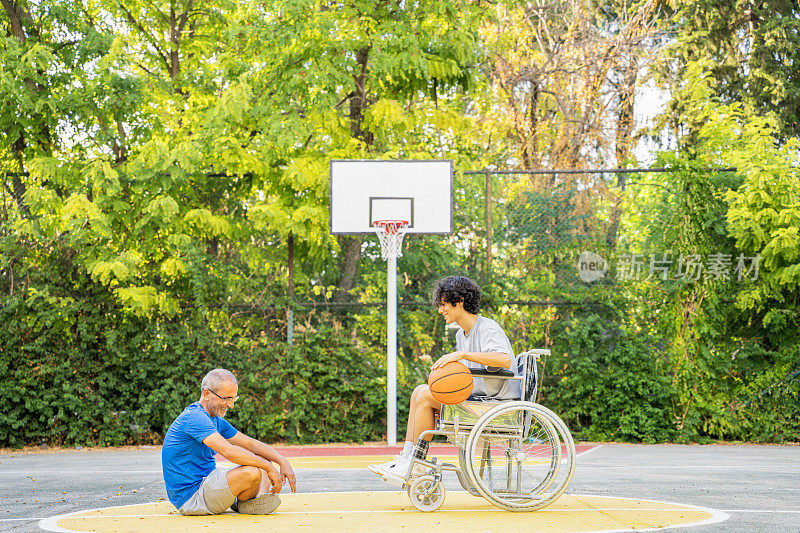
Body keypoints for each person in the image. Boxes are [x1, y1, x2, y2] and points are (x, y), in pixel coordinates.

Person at [368, 275, 519, 485]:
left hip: (496, 406)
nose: (440, 310)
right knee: (420, 391)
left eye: (443, 304)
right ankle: (407, 458)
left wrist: (461, 356)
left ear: (459, 302)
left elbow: (504, 359)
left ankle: (417, 464)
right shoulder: (461, 334)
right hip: (478, 400)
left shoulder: (487, 328)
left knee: (426, 396)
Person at [162, 368, 297, 515]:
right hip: (192, 497)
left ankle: (251, 502)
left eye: (233, 398)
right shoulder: (194, 417)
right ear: (207, 394)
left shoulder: (215, 420)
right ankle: (248, 503)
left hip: (209, 483)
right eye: (226, 398)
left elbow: (251, 444)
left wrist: (282, 461)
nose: (231, 405)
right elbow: (229, 451)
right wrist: (270, 468)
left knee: (262, 458)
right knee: (253, 471)